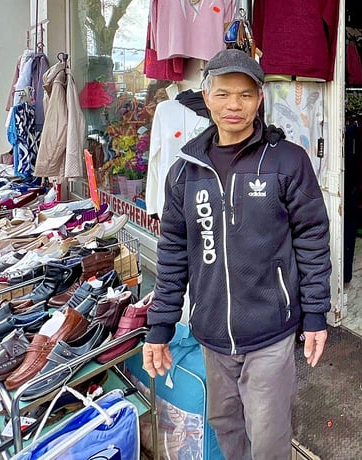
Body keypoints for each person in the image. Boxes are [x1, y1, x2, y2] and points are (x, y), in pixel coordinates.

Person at [143, 48, 331, 460]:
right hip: (211, 333)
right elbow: (173, 253)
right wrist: (160, 325)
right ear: (206, 97)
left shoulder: (287, 161)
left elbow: (313, 239)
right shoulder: (185, 171)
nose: (234, 105)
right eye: (223, 93)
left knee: (267, 437)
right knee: (226, 426)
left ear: (259, 99)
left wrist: (316, 314)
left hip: (270, 331)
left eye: (245, 95)